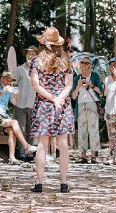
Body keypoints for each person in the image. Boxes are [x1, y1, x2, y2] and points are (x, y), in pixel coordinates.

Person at [30, 27, 74, 193]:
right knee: (63, 144)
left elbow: (36, 84)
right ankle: (63, 183)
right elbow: (69, 84)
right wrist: (59, 98)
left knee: (42, 143)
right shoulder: (66, 60)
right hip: (62, 105)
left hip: (44, 105)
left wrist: (52, 98)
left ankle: (39, 182)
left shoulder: (37, 61)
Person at [0, 71, 37, 163]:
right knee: (14, 122)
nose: (8, 82)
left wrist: (16, 96)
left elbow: (14, 103)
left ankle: (12, 158)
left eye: (10, 81)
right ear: (2, 78)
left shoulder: (9, 89)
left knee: (12, 131)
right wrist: (1, 93)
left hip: (4, 116)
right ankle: (26, 146)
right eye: (7, 80)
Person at [71, 56, 103, 163]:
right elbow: (73, 96)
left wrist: (91, 85)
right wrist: (78, 86)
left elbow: (101, 92)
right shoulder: (76, 79)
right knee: (82, 130)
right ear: (80, 65)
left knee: (93, 130)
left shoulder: (95, 76)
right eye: (83, 63)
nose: (85, 65)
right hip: (81, 105)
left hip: (92, 105)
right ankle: (83, 156)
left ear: (91, 65)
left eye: (87, 63)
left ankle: (94, 156)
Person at [11, 45, 39, 161]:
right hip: (20, 103)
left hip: (33, 103)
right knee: (21, 128)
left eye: (33, 54)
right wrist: (14, 98)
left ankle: (30, 153)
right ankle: (22, 152)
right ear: (25, 55)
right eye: (29, 54)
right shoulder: (19, 70)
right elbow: (13, 85)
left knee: (31, 129)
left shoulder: (39, 70)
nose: (30, 56)